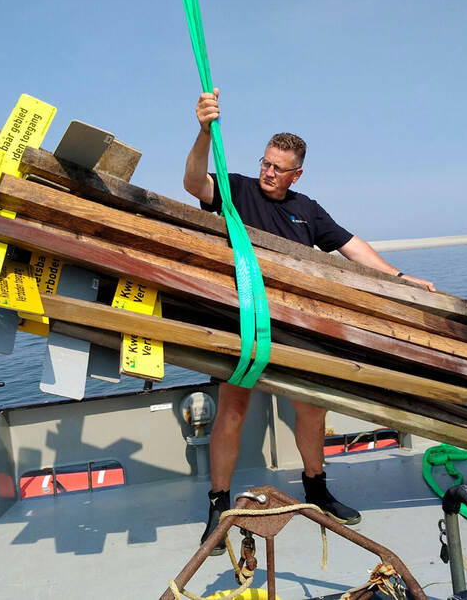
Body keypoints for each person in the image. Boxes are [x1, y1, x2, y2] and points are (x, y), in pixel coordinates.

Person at [183, 88, 435, 554]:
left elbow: (350, 245)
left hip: (299, 328)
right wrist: (203, 132)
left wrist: (400, 277)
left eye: (278, 168)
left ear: (296, 173)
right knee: (233, 410)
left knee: (313, 408)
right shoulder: (237, 189)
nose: (268, 172)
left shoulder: (307, 209)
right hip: (245, 323)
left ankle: (316, 489)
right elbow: (193, 183)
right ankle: (218, 504)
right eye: (265, 162)